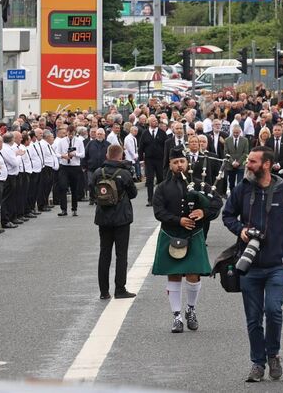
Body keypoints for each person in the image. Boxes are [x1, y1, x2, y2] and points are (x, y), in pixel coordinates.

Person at [222, 146, 283, 383]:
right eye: (248, 161)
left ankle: (273, 355)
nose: (247, 164)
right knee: (252, 318)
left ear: (266, 165)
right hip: (248, 265)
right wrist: (240, 230)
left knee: (273, 310)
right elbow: (227, 215)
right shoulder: (242, 189)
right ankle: (257, 363)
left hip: (277, 264)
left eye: (252, 161)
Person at [152, 147, 215, 333]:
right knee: (174, 274)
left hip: (194, 235)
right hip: (171, 234)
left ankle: (191, 309)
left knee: (193, 275)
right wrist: (178, 220)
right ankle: (177, 316)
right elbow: (158, 212)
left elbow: (217, 204)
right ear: (170, 165)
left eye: (182, 161)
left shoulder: (199, 185)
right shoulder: (162, 188)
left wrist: (203, 212)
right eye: (175, 162)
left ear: (187, 163)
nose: (179, 165)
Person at [90, 144, 138, 300]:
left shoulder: (98, 172)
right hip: (121, 218)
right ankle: (120, 289)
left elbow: (92, 192)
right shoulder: (124, 173)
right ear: (121, 156)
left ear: (107, 155)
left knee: (104, 253)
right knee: (121, 254)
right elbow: (133, 193)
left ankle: (104, 291)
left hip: (103, 217)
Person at [54, 126, 85, 217]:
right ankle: (63, 209)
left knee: (74, 189)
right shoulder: (61, 141)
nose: (71, 135)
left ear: (75, 133)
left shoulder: (79, 141)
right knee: (63, 186)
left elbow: (83, 154)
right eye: (69, 133)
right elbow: (56, 153)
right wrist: (62, 156)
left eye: (72, 134)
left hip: (75, 166)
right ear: (67, 132)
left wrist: (75, 154)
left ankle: (74, 208)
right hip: (64, 166)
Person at [140, 116, 167, 206]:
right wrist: (141, 160)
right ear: (149, 122)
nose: (156, 122)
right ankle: (150, 199)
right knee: (150, 180)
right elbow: (141, 147)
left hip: (160, 160)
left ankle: (161, 198)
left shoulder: (162, 133)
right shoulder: (145, 133)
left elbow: (166, 146)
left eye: (156, 121)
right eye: (154, 121)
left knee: (161, 179)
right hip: (149, 160)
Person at [85, 129, 111, 206]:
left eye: (101, 134)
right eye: (98, 134)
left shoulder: (108, 144)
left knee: (100, 184)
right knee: (91, 183)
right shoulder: (90, 143)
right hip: (91, 167)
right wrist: (84, 165)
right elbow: (86, 154)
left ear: (104, 135)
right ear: (96, 135)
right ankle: (92, 197)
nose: (99, 135)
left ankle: (98, 198)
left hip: (103, 168)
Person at [224, 125, 250, 191]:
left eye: (237, 132)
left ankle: (239, 195)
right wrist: (232, 162)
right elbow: (226, 153)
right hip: (230, 165)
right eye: (234, 132)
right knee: (231, 182)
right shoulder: (227, 140)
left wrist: (238, 162)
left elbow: (245, 153)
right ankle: (232, 195)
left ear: (240, 132)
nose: (235, 134)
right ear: (232, 132)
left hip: (240, 165)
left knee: (240, 182)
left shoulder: (245, 140)